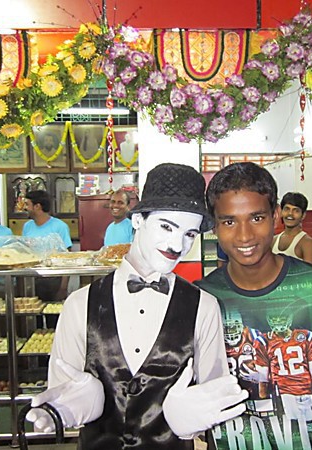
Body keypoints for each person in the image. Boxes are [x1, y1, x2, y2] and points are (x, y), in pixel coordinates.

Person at [26, 163, 247, 449]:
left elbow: (214, 394)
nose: (177, 245)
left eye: (190, 234)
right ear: (138, 220)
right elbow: (63, 386)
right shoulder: (79, 304)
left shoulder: (203, 306)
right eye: (166, 226)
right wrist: (76, 404)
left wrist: (194, 424)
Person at [198, 162, 312, 450]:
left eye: (256, 218)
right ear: (214, 226)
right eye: (229, 222)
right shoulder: (201, 300)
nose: (244, 235)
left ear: (275, 216)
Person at [23, 190, 72, 301]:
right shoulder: (27, 226)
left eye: (27, 204)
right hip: (32, 279)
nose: (25, 208)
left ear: (37, 206)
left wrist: (63, 288)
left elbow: (67, 259)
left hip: (54, 280)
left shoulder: (60, 226)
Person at [272, 192, 312, 264]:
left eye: (296, 211)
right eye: (287, 209)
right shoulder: (273, 240)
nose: (290, 213)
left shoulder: (307, 243)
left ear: (303, 215)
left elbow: (310, 271)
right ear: (281, 212)